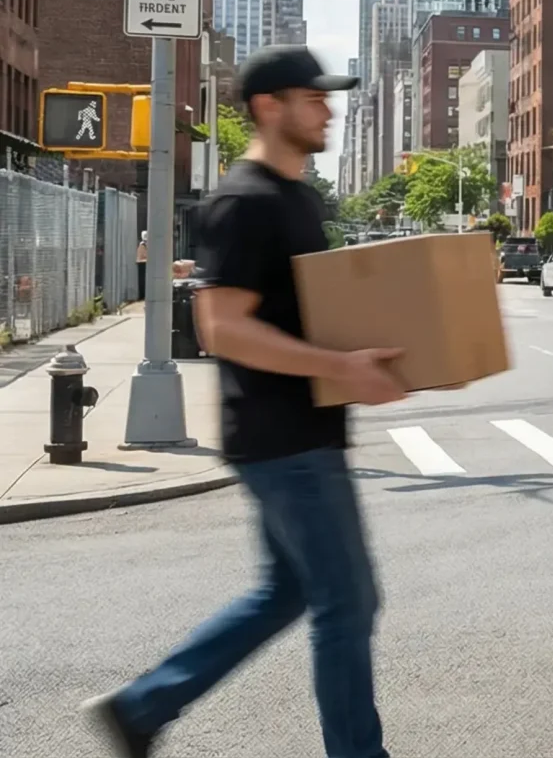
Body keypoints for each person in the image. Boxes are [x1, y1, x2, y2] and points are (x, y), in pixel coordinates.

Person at [85, 47, 405, 758]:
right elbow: (221, 325)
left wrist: (371, 355)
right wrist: (339, 367)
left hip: (302, 432)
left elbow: (305, 310)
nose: (328, 108)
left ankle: (142, 707)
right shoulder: (244, 199)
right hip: (282, 438)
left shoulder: (297, 196)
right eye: (313, 97)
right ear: (270, 106)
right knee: (348, 603)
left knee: (287, 593)